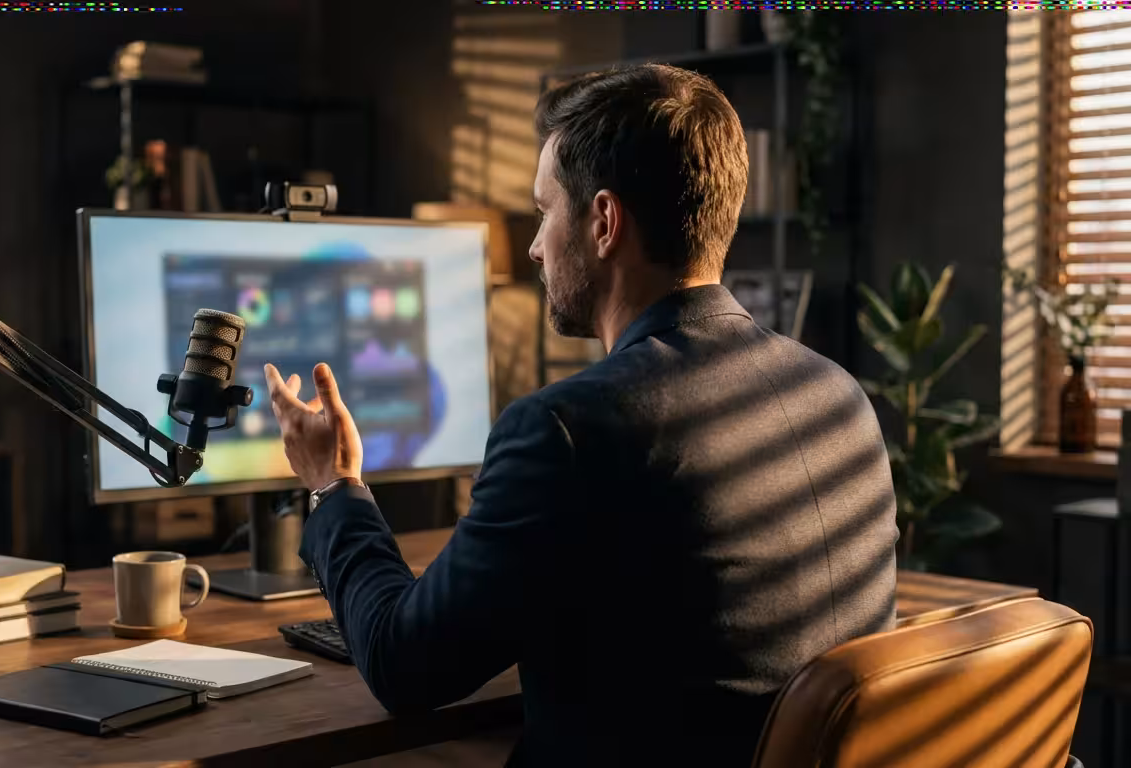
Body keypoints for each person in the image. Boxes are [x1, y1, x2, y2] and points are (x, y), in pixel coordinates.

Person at [263, 63, 898, 767]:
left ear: (601, 221)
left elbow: (402, 666)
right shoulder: (840, 397)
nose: (535, 245)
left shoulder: (569, 428)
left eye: (543, 211)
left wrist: (332, 482)